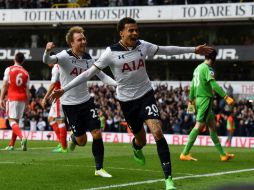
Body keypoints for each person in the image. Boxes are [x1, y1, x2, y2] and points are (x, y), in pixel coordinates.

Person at [49, 17, 214, 190]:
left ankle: (169, 180)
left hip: (146, 94)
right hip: (127, 101)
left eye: (136, 30)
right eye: (131, 30)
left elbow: (166, 50)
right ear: (122, 32)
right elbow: (88, 74)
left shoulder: (143, 46)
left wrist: (194, 49)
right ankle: (136, 147)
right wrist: (64, 89)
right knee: (141, 140)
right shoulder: (110, 53)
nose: (135, 33)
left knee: (157, 132)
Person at [43, 26, 117, 177]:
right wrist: (47, 51)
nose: (84, 41)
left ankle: (99, 168)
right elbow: (48, 60)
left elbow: (102, 76)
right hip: (70, 104)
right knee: (82, 141)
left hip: (86, 101)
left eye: (84, 38)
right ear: (72, 43)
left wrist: (118, 84)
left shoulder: (88, 58)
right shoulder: (64, 56)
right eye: (80, 39)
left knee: (97, 132)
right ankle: (73, 138)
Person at [180, 49, 235, 162]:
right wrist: (226, 97)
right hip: (205, 100)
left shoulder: (197, 68)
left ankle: (223, 154)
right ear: (214, 59)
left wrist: (191, 100)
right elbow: (213, 84)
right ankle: (184, 153)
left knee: (212, 127)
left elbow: (193, 85)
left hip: (199, 99)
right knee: (199, 126)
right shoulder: (208, 69)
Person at [0, 52, 29, 151]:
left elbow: (4, 85)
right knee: (16, 121)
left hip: (12, 97)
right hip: (22, 98)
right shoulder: (26, 73)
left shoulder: (9, 69)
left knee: (11, 120)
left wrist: (1, 98)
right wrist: (27, 103)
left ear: (14, 59)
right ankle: (11, 145)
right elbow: (27, 90)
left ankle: (22, 137)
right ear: (23, 61)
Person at [41, 64, 67, 153]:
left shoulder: (56, 68)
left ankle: (64, 147)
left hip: (59, 96)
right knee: (51, 118)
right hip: (58, 96)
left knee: (60, 120)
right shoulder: (61, 66)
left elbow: (53, 84)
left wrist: (45, 98)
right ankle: (61, 142)